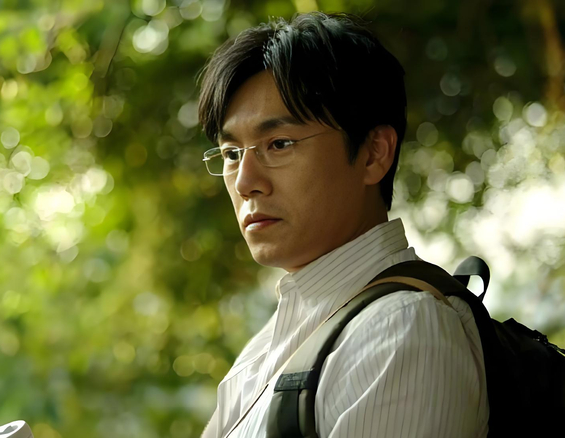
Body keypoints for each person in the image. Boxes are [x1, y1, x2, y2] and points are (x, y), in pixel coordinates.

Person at [197, 12, 489, 438]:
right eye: (231, 154)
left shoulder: (400, 332)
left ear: (373, 153)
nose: (245, 183)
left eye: (279, 144)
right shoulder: (267, 347)